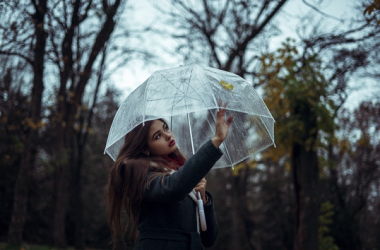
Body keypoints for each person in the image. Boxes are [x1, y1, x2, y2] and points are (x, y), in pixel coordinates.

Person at [106, 102, 233, 250]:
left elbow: (209, 239)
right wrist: (216, 141)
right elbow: (173, 188)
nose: (168, 135)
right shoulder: (139, 173)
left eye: (165, 128)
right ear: (145, 148)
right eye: (158, 136)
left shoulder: (181, 173)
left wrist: (203, 199)